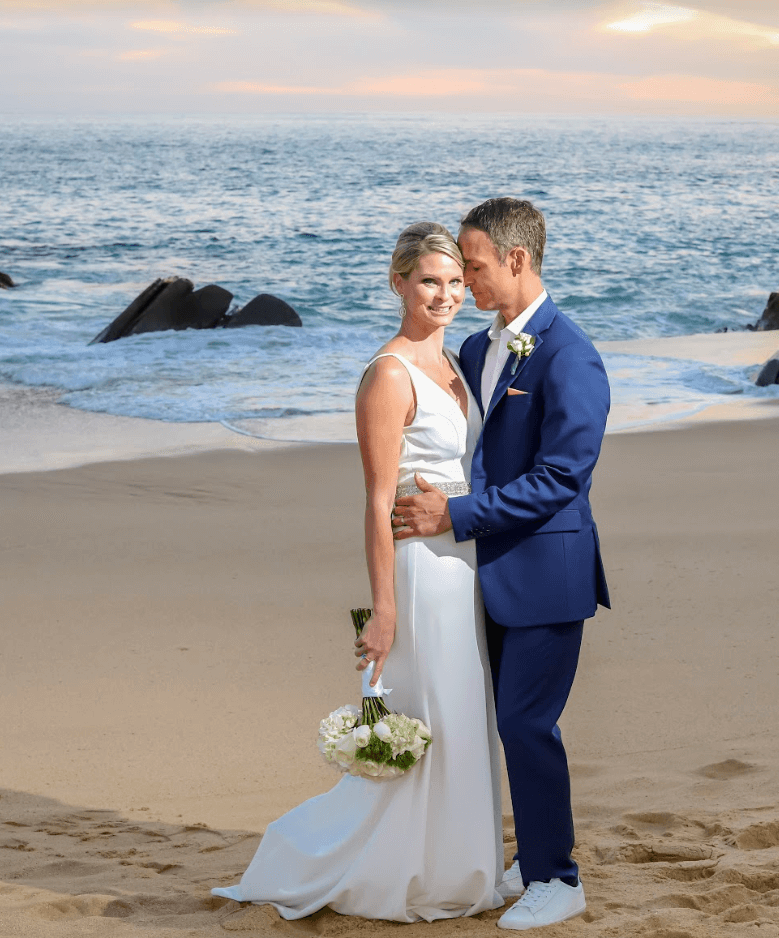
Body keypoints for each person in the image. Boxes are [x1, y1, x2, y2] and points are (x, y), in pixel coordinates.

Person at [209, 222, 504, 922]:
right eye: (430, 281)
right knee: (424, 718)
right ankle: (373, 867)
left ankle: (460, 867)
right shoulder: (387, 374)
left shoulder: (460, 364)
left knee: (464, 718)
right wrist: (383, 610)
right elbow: (376, 501)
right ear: (398, 282)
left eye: (457, 282)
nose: (446, 295)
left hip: (466, 564)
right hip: (418, 573)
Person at [393, 198, 611, 930]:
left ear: (516, 261)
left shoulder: (571, 354)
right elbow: (477, 458)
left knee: (526, 723)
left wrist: (454, 516)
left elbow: (561, 479)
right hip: (484, 575)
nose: (464, 280)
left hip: (549, 575)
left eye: (475, 265)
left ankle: (560, 876)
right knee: (495, 722)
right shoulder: (483, 351)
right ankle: (531, 855)